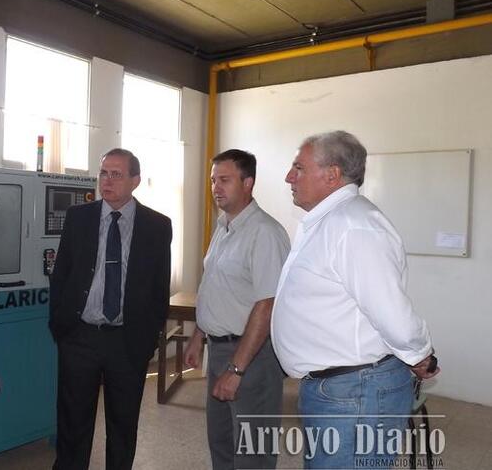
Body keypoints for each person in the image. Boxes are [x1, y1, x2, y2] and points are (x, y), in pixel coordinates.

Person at [272, 131, 440, 469]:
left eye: (298, 168)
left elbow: (391, 311)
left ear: (332, 175)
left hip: (355, 392)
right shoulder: (329, 221)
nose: (289, 177)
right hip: (340, 389)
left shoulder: (354, 226)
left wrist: (420, 354)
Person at [48, 148, 172, 470]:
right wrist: (60, 327)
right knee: (73, 425)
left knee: (122, 425)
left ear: (135, 181)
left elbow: (159, 288)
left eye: (117, 174)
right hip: (80, 337)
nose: (107, 180)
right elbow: (61, 274)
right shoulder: (79, 218)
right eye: (103, 173)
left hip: (127, 341)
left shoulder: (157, 226)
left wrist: (148, 338)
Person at [183, 149, 289, 470]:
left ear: (248, 183)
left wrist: (237, 369)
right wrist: (198, 335)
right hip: (219, 350)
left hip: (251, 355)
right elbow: (216, 284)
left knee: (251, 450)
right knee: (222, 442)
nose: (216, 187)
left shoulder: (265, 232)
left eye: (224, 180)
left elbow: (267, 305)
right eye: (214, 180)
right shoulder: (224, 225)